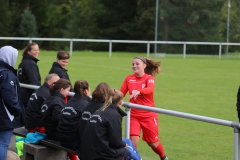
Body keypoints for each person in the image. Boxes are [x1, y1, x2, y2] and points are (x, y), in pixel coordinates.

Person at [120, 56, 168, 160]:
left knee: (153, 143)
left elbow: (150, 89)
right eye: (133, 64)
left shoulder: (149, 78)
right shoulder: (129, 78)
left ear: (144, 66)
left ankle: (163, 157)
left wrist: (140, 91)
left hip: (149, 115)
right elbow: (121, 93)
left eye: (137, 64)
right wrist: (112, 94)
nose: (134, 66)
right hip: (133, 115)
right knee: (132, 142)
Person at [80, 85, 130, 160]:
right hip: (98, 154)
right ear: (120, 102)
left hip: (87, 151)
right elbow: (115, 142)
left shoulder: (99, 111)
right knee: (129, 150)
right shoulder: (114, 115)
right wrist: (124, 144)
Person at [0, 46, 26, 160]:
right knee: (3, 144)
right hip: (5, 115)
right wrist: (17, 111)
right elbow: (9, 97)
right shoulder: (7, 74)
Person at [58, 80, 91, 153]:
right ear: (86, 91)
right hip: (74, 142)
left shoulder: (68, 102)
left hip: (62, 139)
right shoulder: (86, 105)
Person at [18, 42, 41, 109]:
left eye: (38, 50)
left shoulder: (23, 62)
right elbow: (34, 82)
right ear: (29, 51)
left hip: (22, 95)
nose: (37, 52)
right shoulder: (30, 63)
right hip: (29, 97)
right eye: (34, 50)